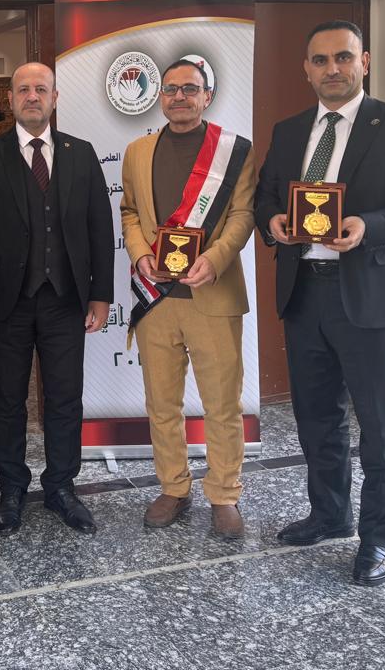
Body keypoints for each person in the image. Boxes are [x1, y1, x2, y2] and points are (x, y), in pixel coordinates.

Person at [254, 20, 385, 586]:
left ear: (365, 62)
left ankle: (378, 538)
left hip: (371, 296)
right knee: (317, 419)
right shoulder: (290, 130)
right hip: (304, 292)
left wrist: (368, 226)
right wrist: (274, 221)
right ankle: (330, 514)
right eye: (320, 60)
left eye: (343, 57)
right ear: (306, 69)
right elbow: (266, 195)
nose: (332, 68)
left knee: (384, 428)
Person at [0, 62, 113, 535]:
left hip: (66, 300)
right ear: (10, 99)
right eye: (23, 89)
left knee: (65, 398)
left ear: (54, 97)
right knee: (7, 399)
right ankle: (11, 489)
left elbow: (100, 229)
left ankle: (62, 486)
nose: (32, 96)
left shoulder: (81, 154)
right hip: (7, 303)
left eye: (40, 89)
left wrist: (101, 295)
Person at [120, 59, 255, 539]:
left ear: (206, 96)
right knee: (162, 403)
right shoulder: (137, 151)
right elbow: (130, 211)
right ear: (160, 96)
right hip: (157, 297)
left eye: (190, 89)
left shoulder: (235, 151)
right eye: (171, 89)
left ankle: (224, 494)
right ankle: (173, 487)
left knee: (222, 404)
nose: (179, 97)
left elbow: (243, 213)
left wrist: (215, 259)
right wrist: (140, 255)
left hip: (212, 294)